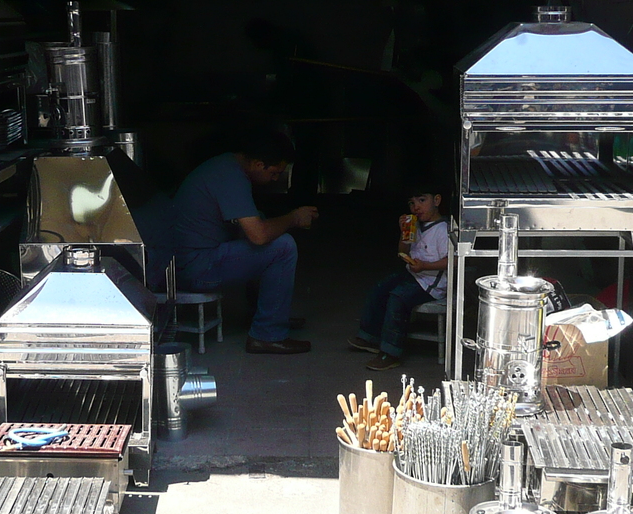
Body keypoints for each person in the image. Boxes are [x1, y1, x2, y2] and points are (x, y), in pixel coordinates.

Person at [172, 128, 319, 354]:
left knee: (260, 228)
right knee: (282, 246)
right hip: (194, 268)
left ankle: (266, 315)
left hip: (187, 261)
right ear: (259, 164)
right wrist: (294, 218)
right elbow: (259, 236)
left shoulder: (225, 166)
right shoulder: (231, 178)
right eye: (274, 173)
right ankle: (267, 334)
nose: (275, 179)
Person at [349, 189, 449, 371]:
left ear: (436, 200)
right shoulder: (416, 225)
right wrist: (403, 232)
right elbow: (402, 250)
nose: (416, 207)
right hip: (413, 274)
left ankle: (391, 352)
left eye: (421, 200)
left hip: (431, 283)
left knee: (398, 297)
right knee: (381, 288)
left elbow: (452, 261)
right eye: (412, 203)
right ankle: (370, 336)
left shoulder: (443, 229)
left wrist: (425, 266)